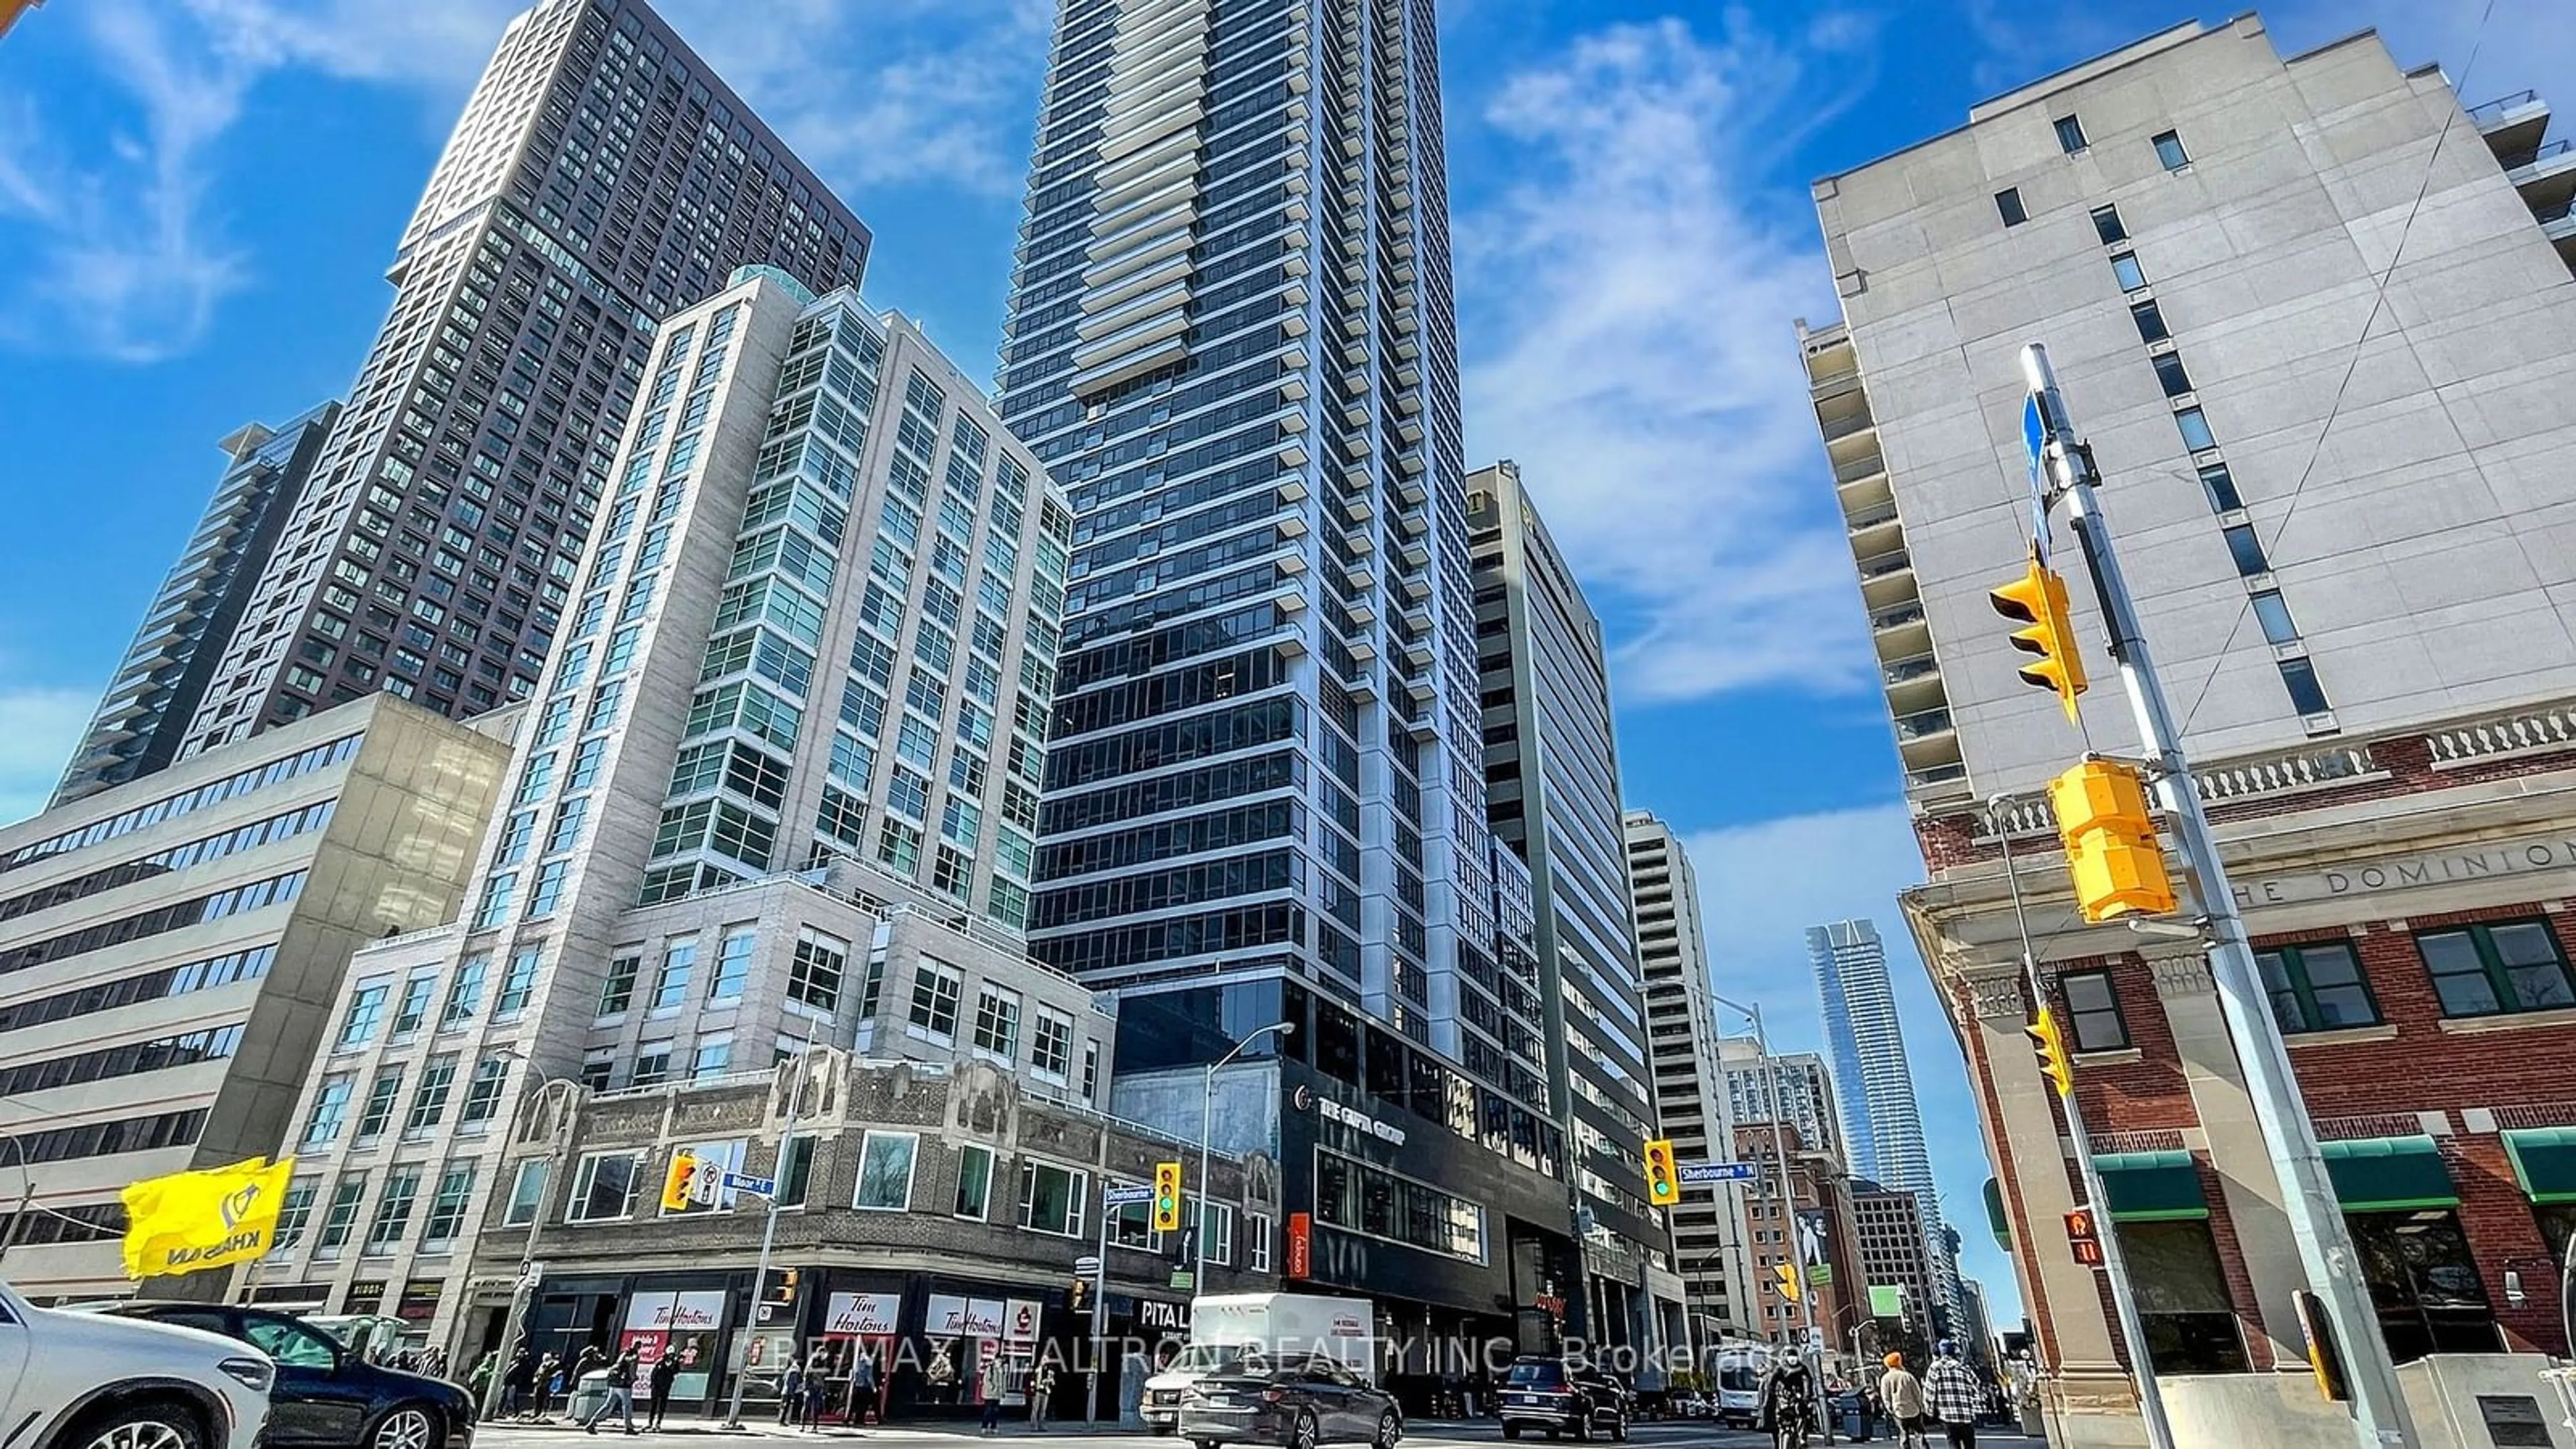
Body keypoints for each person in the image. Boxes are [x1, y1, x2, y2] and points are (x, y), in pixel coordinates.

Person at [1923, 1343, 1983, 1449]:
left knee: (1953, 1443)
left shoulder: (1935, 1368)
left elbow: (1930, 1392)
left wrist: (1929, 1411)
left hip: (1947, 1413)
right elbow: (1977, 1385)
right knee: (1970, 1443)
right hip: (1966, 1414)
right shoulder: (1963, 1367)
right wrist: (1976, 1406)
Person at [1756, 1348, 1815, 1446]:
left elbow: (1807, 1382)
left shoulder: (1801, 1369)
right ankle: (1797, 1439)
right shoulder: (1780, 1370)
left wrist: (1806, 1397)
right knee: (1787, 1423)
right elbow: (1771, 1385)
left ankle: (1802, 1439)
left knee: (1802, 1416)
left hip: (1795, 1401)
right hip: (1784, 1403)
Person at [585, 1347, 641, 1436]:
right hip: (624, 1386)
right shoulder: (633, 1358)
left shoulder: (620, 1359)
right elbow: (632, 1371)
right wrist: (634, 1378)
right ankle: (628, 1427)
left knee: (608, 1405)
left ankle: (592, 1423)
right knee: (627, 1406)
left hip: (614, 1385)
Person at [1876, 1353, 1929, 1449]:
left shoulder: (1885, 1378)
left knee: (1904, 1434)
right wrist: (1921, 1406)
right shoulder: (1907, 1376)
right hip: (1913, 1410)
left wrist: (1890, 1409)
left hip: (1898, 1411)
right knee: (1920, 1434)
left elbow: (1885, 1396)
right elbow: (1917, 1393)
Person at [646, 1348, 681, 1432]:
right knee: (653, 1405)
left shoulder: (674, 1363)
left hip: (666, 1387)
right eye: (669, 1355)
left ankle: (658, 1423)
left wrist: (675, 1363)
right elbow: (654, 1374)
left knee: (662, 1405)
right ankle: (650, 1423)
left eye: (672, 1355)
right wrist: (652, 1383)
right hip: (656, 1386)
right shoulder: (660, 1362)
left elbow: (676, 1371)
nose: (670, 1356)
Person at [1029, 1362, 1058, 1431]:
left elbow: (1053, 1383)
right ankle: (1034, 1426)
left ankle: (1041, 1425)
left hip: (1046, 1392)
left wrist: (1051, 1382)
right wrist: (1033, 1389)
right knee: (1035, 1409)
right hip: (1038, 1391)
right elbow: (1032, 1380)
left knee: (1043, 1410)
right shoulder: (1037, 1370)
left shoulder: (1050, 1372)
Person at [780, 1360, 806, 1429]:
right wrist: (792, 1394)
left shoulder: (789, 1371)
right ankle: (783, 1421)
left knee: (785, 1407)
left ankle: (782, 1420)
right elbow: (792, 1384)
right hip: (789, 1392)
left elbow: (785, 1380)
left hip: (785, 1391)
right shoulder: (795, 1372)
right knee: (787, 1407)